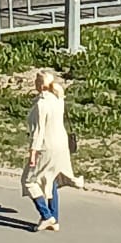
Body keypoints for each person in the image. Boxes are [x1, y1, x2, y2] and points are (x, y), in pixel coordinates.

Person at [21, 68, 83, 232]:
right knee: (51, 179)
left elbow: (38, 132)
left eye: (36, 81)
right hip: (61, 146)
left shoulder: (41, 104)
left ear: (40, 86)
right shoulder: (58, 98)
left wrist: (33, 153)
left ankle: (47, 215)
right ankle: (54, 219)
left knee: (29, 181)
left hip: (46, 148)